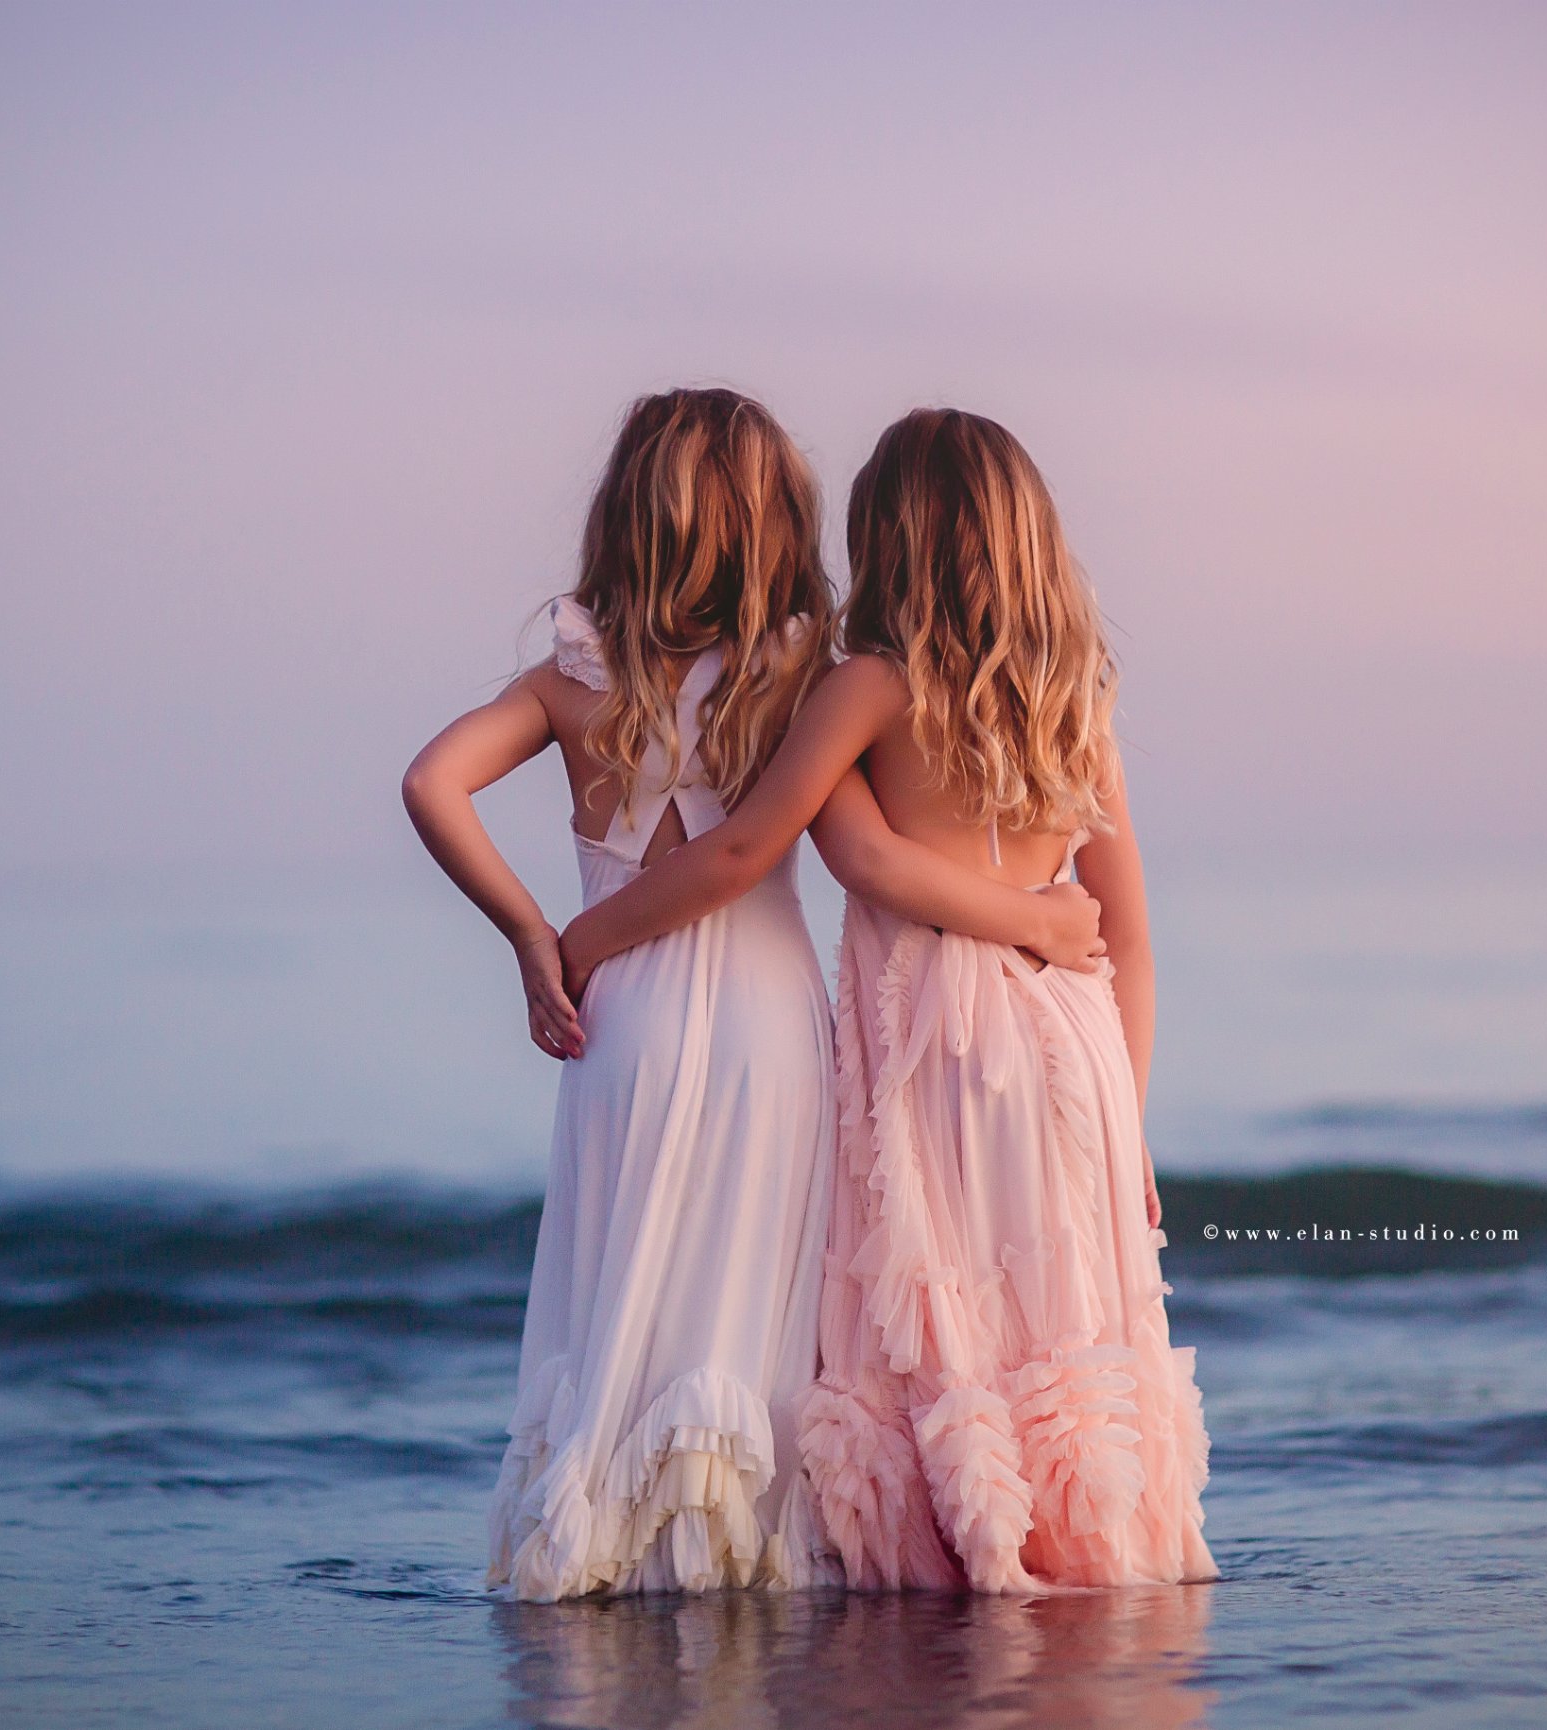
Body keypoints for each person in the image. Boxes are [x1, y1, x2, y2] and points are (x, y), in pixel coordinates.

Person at [402, 390, 1102, 1600]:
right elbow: (818, 852)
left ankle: (606, 1548)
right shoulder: (793, 679)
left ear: (626, 512)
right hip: (768, 1028)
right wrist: (1033, 912)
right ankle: (741, 1563)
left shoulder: (573, 681)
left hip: (621, 1018)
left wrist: (536, 935)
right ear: (772, 521)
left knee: (623, 1280)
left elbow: (430, 782)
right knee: (753, 1300)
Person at [561, 407, 1216, 1591]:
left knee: (941, 1318)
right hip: (1077, 1044)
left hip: (937, 1036)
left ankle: (962, 1566)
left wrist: (579, 939)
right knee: (1066, 1322)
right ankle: (1092, 1568)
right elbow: (1130, 938)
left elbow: (830, 854)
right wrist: (1131, 1117)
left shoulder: (868, 685)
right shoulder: (1080, 701)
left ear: (889, 540)